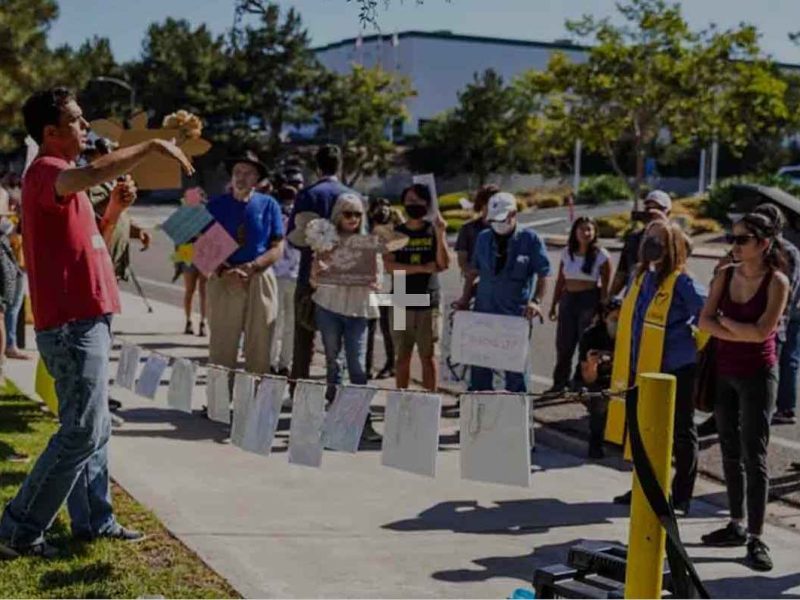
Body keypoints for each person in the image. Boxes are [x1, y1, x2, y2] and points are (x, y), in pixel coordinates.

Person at [0, 87, 193, 559]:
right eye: (78, 121)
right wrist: (148, 147)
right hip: (71, 324)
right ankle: (17, 529)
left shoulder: (67, 184)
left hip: (89, 317)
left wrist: (114, 213)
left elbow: (90, 243)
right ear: (51, 132)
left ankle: (94, 521)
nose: (86, 128)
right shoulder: (48, 171)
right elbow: (90, 172)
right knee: (82, 430)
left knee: (95, 427)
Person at [698, 212, 789, 572]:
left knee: (756, 455)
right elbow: (704, 321)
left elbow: (761, 333)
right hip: (725, 371)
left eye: (741, 240)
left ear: (763, 244)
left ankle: (756, 536)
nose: (732, 245)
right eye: (731, 238)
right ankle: (735, 524)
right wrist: (736, 328)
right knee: (729, 450)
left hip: (757, 374)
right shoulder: (724, 274)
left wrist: (725, 325)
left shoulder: (777, 281)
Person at [610, 220, 706, 515]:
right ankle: (646, 486)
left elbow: (705, 316)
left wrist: (691, 344)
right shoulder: (643, 276)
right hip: (644, 366)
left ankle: (681, 497)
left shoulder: (682, 281)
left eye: (659, 240)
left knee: (680, 432)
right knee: (644, 429)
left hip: (677, 368)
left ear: (672, 246)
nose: (651, 243)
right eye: (649, 238)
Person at [454, 192, 551, 392]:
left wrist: (536, 301)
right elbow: (473, 273)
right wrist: (464, 299)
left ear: (514, 214)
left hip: (514, 318)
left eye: (501, 219)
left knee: (516, 373)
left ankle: (518, 420)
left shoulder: (530, 240)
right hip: (484, 314)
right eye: (492, 220)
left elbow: (544, 274)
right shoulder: (483, 238)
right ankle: (481, 418)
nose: (497, 224)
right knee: (480, 371)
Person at [310, 193, 381, 442]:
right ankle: (334, 416)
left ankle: (363, 420)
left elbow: (379, 279)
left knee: (358, 366)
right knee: (333, 362)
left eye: (358, 214)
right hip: (329, 306)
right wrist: (320, 271)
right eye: (348, 213)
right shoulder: (325, 240)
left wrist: (374, 282)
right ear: (338, 214)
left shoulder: (368, 243)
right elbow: (313, 278)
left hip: (358, 309)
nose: (353, 219)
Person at [206, 151, 284, 375]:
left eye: (248, 173)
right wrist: (224, 269)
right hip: (224, 279)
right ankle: (217, 405)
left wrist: (254, 266)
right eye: (237, 172)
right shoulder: (215, 205)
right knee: (222, 344)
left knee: (260, 344)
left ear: (257, 179)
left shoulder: (269, 205)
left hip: (259, 277)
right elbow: (199, 244)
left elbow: (278, 245)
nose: (241, 177)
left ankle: (255, 404)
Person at [287, 145, 350, 390]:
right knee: (338, 340)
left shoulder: (307, 195)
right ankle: (335, 388)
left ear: (316, 166)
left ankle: (299, 388)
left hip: (308, 272)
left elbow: (294, 235)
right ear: (339, 165)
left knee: (303, 336)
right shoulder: (350, 195)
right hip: (342, 276)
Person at [383, 183, 450, 392]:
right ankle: (401, 399)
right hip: (402, 295)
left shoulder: (433, 230)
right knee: (402, 355)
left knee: (428, 355)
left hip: (428, 298)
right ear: (403, 203)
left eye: (419, 201)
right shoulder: (396, 233)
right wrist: (420, 267)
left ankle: (430, 400)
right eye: (410, 201)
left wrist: (440, 234)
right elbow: (390, 266)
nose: (414, 205)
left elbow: (443, 264)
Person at [547, 216, 612, 395]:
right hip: (569, 299)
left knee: (585, 343)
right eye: (582, 229)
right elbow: (560, 280)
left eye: (589, 229)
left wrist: (602, 309)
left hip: (588, 300)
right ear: (575, 232)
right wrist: (554, 304)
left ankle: (580, 383)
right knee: (564, 344)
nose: (586, 233)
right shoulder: (566, 252)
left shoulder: (601, 255)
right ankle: (559, 383)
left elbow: (606, 286)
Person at [751, 205, 800, 426]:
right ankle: (783, 408)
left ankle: (774, 409)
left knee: (777, 363)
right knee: (783, 361)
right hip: (786, 312)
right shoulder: (787, 249)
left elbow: (791, 287)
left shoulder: (785, 251)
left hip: (785, 314)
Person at [84, 136, 151, 282]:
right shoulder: (88, 185)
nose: (112, 154)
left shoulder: (112, 180)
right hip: (99, 263)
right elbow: (97, 215)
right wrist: (115, 198)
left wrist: (136, 231)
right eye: (106, 151)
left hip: (113, 263)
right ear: (93, 155)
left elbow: (119, 217)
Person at [573, 298, 621, 459]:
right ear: (605, 317)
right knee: (600, 401)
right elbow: (588, 378)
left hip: (618, 379)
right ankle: (595, 445)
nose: (618, 323)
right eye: (614, 319)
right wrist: (593, 364)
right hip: (593, 381)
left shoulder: (630, 336)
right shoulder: (591, 335)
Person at [365, 196, 404, 380]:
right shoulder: (367, 227)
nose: (382, 211)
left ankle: (393, 364)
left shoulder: (398, 228)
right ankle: (366, 365)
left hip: (397, 281)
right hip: (375, 281)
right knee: (370, 325)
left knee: (392, 327)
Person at [608, 189, 672, 298]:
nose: (652, 212)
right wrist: (609, 298)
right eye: (648, 209)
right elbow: (622, 272)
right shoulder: (633, 238)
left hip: (661, 297)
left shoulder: (674, 238)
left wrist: (663, 224)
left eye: (658, 209)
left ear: (668, 212)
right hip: (634, 296)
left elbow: (687, 248)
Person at [270, 184, 301, 377]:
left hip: (275, 274)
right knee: (291, 323)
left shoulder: (274, 217)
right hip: (296, 274)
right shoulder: (300, 219)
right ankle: (285, 363)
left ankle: (270, 361)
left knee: (275, 321)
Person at [454, 184, 499, 299]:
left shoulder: (506, 228)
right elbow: (462, 260)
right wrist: (474, 274)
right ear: (481, 204)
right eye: (488, 203)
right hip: (475, 284)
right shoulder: (468, 229)